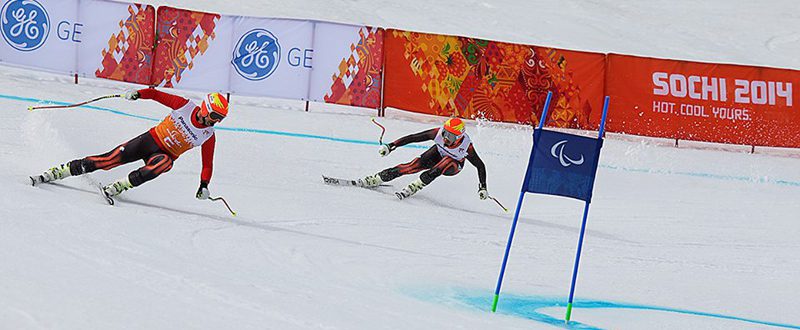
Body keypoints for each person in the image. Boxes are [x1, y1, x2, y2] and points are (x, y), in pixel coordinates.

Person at [30, 88, 229, 201]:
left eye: (219, 119)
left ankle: (118, 187)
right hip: (148, 141)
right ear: (205, 108)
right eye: (214, 115)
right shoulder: (184, 106)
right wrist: (137, 94)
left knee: (164, 164)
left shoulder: (208, 135)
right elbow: (157, 94)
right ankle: (57, 172)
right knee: (108, 161)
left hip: (161, 155)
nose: (214, 121)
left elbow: (207, 164)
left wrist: (204, 185)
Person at [359, 117, 488, 200]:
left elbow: (480, 165)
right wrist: (391, 146)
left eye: (451, 137)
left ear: (459, 138)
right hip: (438, 153)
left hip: (453, 166)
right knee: (412, 165)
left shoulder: (467, 147)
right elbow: (413, 137)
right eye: (445, 133)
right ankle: (378, 178)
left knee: (446, 162)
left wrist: (483, 187)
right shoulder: (437, 133)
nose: (445, 138)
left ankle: (417, 185)